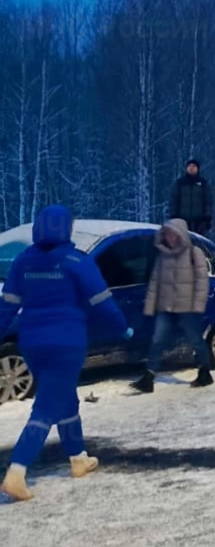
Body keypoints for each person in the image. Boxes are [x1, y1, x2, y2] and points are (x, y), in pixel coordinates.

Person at [0, 205, 132, 502]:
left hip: (32, 342)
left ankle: (78, 458)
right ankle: (16, 473)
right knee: (46, 407)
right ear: (66, 229)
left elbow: (7, 305)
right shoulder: (76, 260)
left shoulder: (23, 261)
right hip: (67, 343)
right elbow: (102, 301)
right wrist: (123, 328)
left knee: (65, 398)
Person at [131, 219, 212, 393]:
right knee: (157, 340)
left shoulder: (193, 252)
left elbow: (202, 281)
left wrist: (198, 305)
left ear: (181, 234)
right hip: (166, 307)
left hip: (187, 307)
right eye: (167, 234)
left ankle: (205, 371)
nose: (170, 238)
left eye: (174, 234)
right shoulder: (162, 256)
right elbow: (155, 282)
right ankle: (148, 377)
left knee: (195, 340)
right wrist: (150, 306)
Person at [169, 159, 213, 236]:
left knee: (198, 243)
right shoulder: (180, 183)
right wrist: (174, 216)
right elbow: (174, 200)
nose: (191, 168)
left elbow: (208, 201)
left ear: (198, 169)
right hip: (182, 221)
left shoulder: (203, 184)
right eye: (189, 166)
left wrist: (207, 218)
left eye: (194, 166)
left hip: (199, 222)